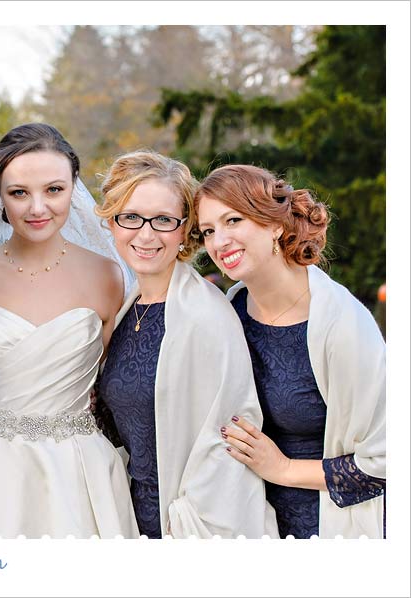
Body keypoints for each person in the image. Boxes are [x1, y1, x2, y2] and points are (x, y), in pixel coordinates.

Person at [0, 123, 138, 539]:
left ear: (73, 188)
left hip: (79, 476)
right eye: (19, 193)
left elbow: (112, 380)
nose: (37, 208)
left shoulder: (108, 276)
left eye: (54, 190)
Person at [93, 150, 278, 538]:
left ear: (184, 230)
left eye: (163, 220)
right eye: (131, 217)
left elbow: (229, 445)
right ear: (112, 222)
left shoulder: (205, 316)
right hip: (132, 516)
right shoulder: (129, 307)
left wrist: (183, 526)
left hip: (188, 527)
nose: (146, 235)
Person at [196, 164, 386, 538]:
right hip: (248, 523)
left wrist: (282, 468)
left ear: (275, 224)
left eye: (233, 220)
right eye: (208, 231)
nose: (219, 241)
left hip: (326, 528)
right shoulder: (230, 312)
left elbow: (384, 463)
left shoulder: (343, 324)